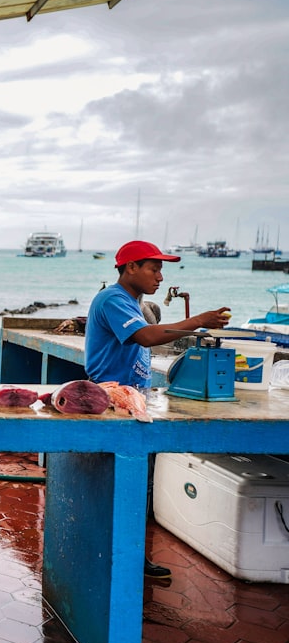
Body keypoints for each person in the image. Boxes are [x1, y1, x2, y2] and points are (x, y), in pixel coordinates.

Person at [85, 240, 230, 579]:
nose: (160, 276)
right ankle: (118, 558)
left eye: (161, 269)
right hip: (112, 400)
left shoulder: (132, 301)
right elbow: (147, 337)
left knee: (138, 483)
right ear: (130, 267)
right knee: (122, 484)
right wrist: (199, 321)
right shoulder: (114, 299)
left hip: (133, 397)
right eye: (154, 268)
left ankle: (129, 557)